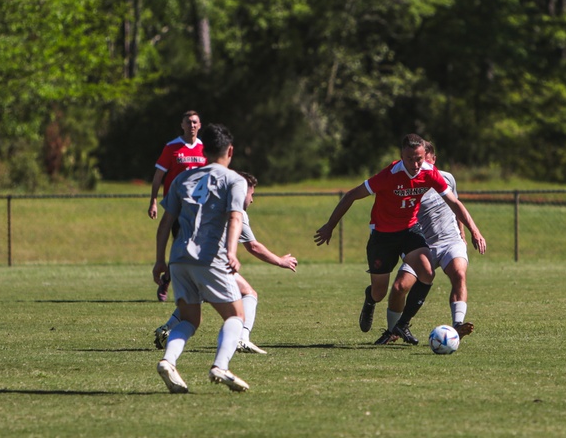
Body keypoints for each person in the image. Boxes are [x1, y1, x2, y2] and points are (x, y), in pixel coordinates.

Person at [312, 133, 486, 345]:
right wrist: (330, 225)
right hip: (383, 236)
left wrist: (474, 231)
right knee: (379, 292)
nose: (415, 164)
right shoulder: (389, 175)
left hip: (409, 231)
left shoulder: (430, 173)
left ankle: (401, 325)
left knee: (427, 272)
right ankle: (370, 300)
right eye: (410, 159)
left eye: (419, 159)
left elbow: (455, 203)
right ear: (402, 156)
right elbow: (351, 195)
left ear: (426, 156)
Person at [152, 123, 251, 393]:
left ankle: (168, 362)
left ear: (203, 150)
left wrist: (160, 260)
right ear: (230, 151)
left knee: (189, 320)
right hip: (210, 258)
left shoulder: (183, 179)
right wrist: (231, 252)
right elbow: (234, 217)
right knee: (236, 316)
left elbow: (165, 223)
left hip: (180, 258)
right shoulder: (234, 180)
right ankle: (220, 366)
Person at [153, 172, 298, 354]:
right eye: (251, 194)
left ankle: (166, 331)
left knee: (195, 300)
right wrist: (280, 261)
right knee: (248, 294)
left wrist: (161, 259)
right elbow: (253, 246)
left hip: (183, 257)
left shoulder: (208, 203)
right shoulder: (236, 212)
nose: (252, 200)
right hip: (211, 262)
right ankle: (241, 340)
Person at [378, 141, 476, 345]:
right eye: (414, 162)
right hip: (422, 245)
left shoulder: (446, 178)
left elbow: (456, 205)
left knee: (459, 273)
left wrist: (463, 233)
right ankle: (392, 330)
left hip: (450, 242)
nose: (420, 168)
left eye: (423, 162)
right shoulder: (407, 182)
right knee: (399, 287)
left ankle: (458, 325)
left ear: (432, 160)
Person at [148, 110, 207, 302]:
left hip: (198, 207)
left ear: (199, 125)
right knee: (182, 244)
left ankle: (175, 281)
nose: (191, 126)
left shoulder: (204, 149)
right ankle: (171, 281)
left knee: (196, 247)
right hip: (177, 206)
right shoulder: (172, 147)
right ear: (182, 125)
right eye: (188, 122)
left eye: (195, 122)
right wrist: (154, 201)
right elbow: (159, 176)